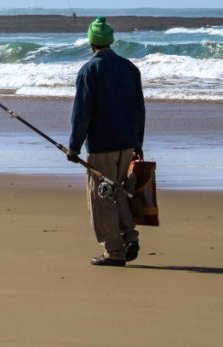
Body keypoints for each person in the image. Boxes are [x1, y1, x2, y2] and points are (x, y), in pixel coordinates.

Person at [67, 16, 145, 267]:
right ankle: (129, 237)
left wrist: (74, 146)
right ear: (110, 41)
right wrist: (138, 143)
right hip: (127, 143)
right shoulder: (129, 68)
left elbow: (82, 114)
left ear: (91, 42)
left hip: (101, 146)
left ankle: (114, 251)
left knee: (102, 198)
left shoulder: (90, 70)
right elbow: (139, 109)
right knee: (119, 191)